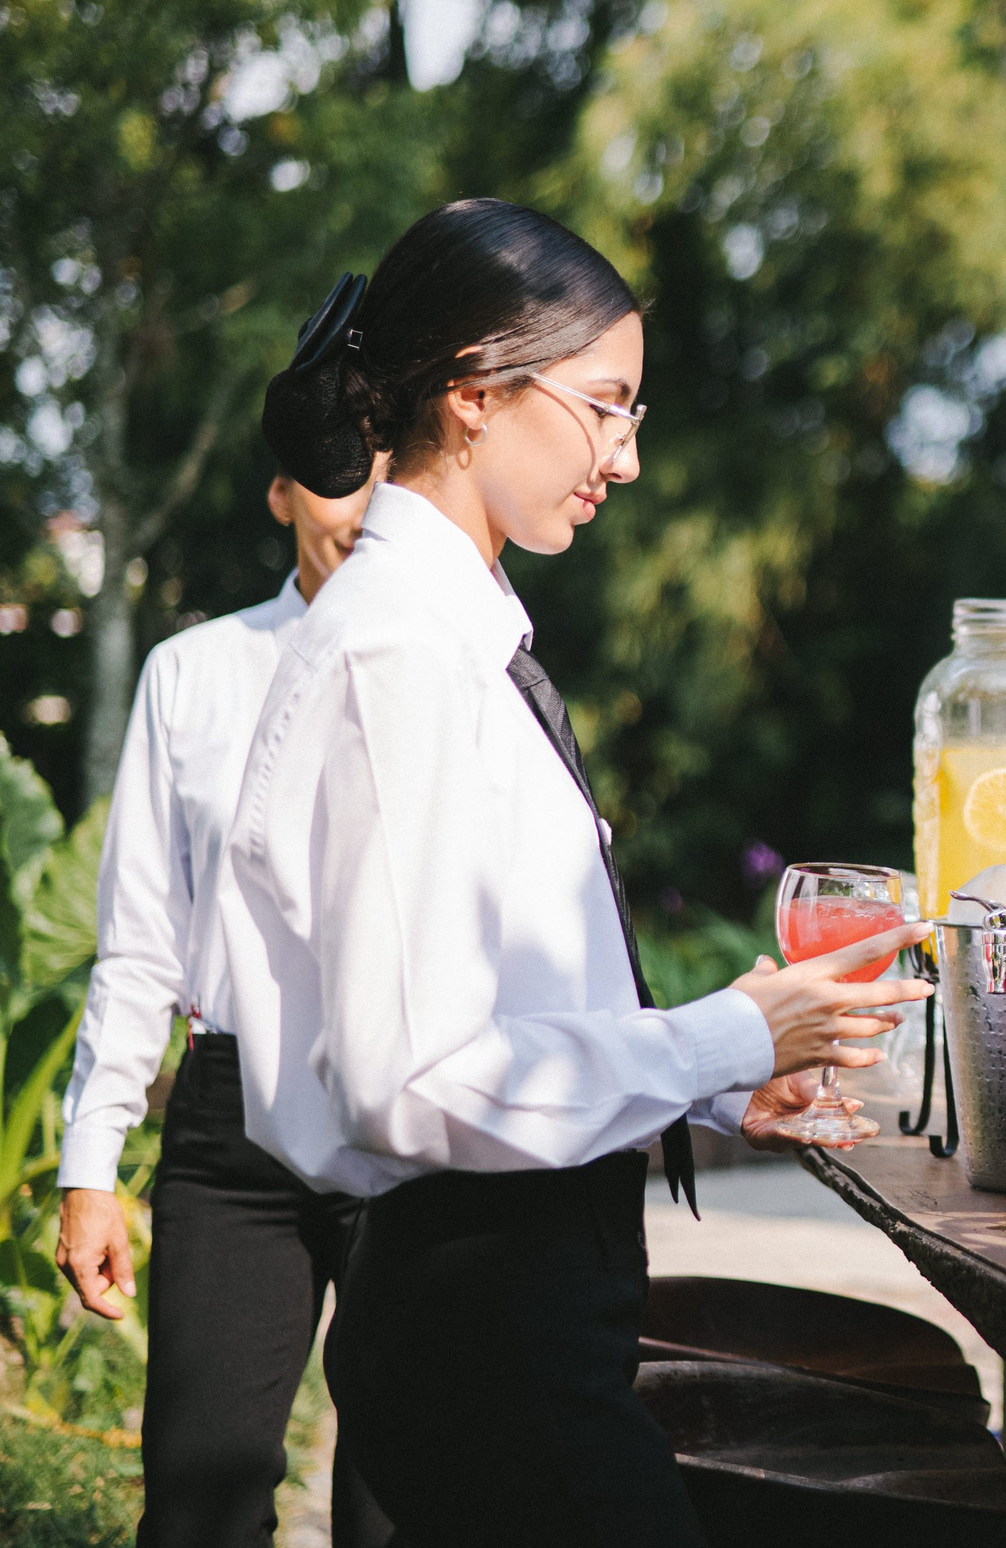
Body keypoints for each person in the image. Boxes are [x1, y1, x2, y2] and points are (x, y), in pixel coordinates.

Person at [220, 197, 931, 1546]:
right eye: (607, 406)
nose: (629, 457)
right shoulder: (404, 658)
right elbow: (408, 1082)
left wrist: (722, 1076)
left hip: (513, 1311)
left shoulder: (454, 637)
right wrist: (726, 1027)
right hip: (485, 1326)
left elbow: (505, 1000)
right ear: (478, 391)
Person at [53, 460, 391, 1547]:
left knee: (407, 1503)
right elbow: (139, 939)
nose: (370, 508)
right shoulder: (192, 671)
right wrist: (91, 1164)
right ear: (281, 490)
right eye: (342, 477)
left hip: (411, 1118)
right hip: (231, 1115)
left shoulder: (474, 667)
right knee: (200, 1503)